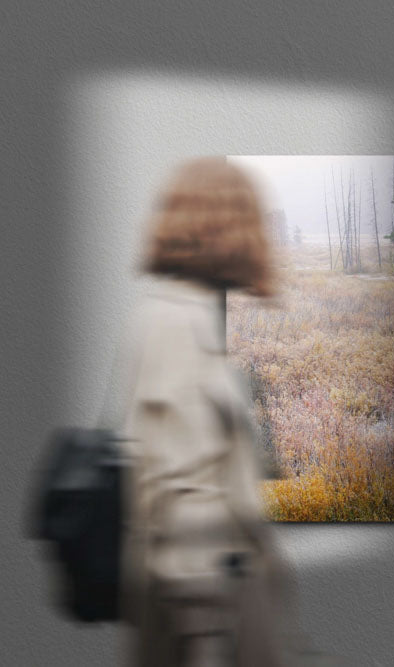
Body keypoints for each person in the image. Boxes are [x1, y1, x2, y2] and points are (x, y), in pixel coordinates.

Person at [120, 157, 289, 666]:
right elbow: (180, 489)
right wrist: (207, 630)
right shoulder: (176, 325)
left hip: (212, 593)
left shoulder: (181, 316)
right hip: (209, 603)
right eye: (252, 218)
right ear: (226, 228)